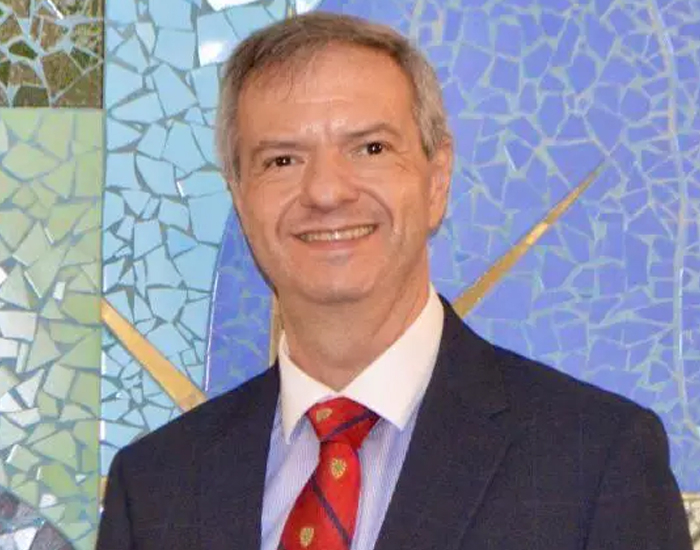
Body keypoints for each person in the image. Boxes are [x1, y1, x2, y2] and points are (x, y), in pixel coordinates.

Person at [96, 12, 692, 550]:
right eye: (282, 160)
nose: (326, 191)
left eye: (370, 148)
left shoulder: (596, 463)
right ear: (240, 197)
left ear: (437, 180)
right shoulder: (153, 489)